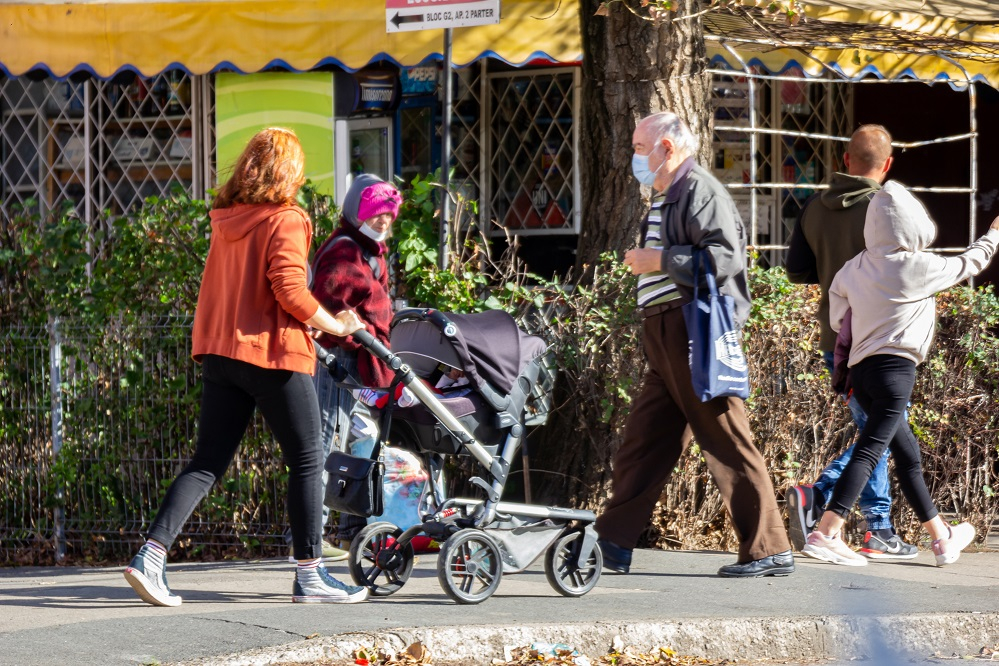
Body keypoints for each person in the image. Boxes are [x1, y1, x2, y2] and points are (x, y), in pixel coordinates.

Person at [123, 127, 369, 606]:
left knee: (207, 462)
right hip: (271, 353)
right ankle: (311, 576)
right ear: (290, 173)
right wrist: (336, 325)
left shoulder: (227, 218)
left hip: (220, 353)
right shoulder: (287, 218)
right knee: (307, 460)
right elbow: (290, 291)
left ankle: (150, 557)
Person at [594, 111, 794, 578]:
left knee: (725, 436)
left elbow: (725, 257)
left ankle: (769, 549)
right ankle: (612, 543)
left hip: (691, 329)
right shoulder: (671, 193)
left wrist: (659, 259)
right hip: (667, 330)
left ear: (666, 148)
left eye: (639, 148)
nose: (634, 158)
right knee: (646, 440)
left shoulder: (699, 189)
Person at [802, 180, 999, 566]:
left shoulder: (855, 267)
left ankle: (941, 538)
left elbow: (837, 311)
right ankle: (826, 532)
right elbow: (970, 262)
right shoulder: (916, 266)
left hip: (861, 373)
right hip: (896, 372)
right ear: (914, 223)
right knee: (870, 451)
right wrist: (993, 234)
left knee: (908, 456)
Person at [784, 125, 918, 560]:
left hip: (836, 337)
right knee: (880, 432)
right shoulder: (888, 206)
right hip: (884, 337)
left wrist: (833, 269)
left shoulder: (813, 206)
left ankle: (876, 526)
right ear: (888, 164)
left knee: (875, 430)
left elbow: (796, 270)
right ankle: (838, 502)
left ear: (845, 160)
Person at [311, 174, 400, 547]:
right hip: (340, 357)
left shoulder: (369, 251)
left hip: (360, 359)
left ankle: (351, 529)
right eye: (376, 211)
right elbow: (327, 308)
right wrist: (357, 334)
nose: (383, 220)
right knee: (327, 441)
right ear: (356, 211)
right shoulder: (344, 251)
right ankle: (310, 540)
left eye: (389, 213)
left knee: (362, 439)